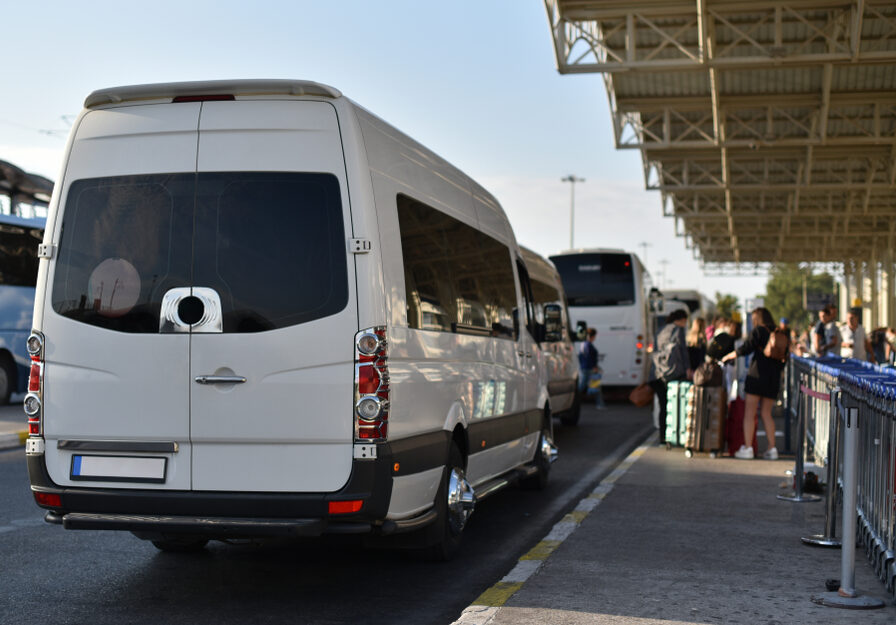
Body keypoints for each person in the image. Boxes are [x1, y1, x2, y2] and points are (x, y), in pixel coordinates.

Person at [721, 307, 785, 460]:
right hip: (773, 378)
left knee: (749, 413)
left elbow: (746, 348)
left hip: (756, 376)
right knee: (766, 414)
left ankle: (748, 448)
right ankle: (772, 449)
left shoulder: (758, 331)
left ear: (756, 319)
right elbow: (784, 358)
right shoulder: (780, 333)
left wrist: (730, 355)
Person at [649, 309, 692, 443]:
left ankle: (663, 436)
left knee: (663, 406)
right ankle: (676, 435)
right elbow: (683, 351)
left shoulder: (660, 330)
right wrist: (688, 368)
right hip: (673, 374)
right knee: (675, 405)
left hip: (656, 373)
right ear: (682, 320)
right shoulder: (678, 331)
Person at [578, 328, 606, 408]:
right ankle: (600, 404)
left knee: (593, 385)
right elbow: (588, 357)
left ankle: (600, 404)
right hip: (589, 368)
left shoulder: (584, 344)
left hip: (586, 367)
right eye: (595, 336)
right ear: (592, 336)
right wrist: (593, 367)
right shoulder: (588, 345)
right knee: (593, 385)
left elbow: (581, 357)